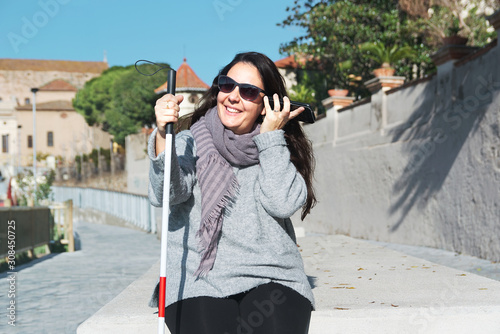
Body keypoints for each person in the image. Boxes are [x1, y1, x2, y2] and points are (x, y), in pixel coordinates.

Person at [148, 51, 316, 334]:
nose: (233, 96)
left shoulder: (277, 147)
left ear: (266, 105)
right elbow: (167, 195)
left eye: (248, 91)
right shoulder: (188, 141)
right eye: (227, 85)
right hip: (198, 276)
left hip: (272, 274)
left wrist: (271, 139)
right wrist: (165, 135)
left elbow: (281, 203)